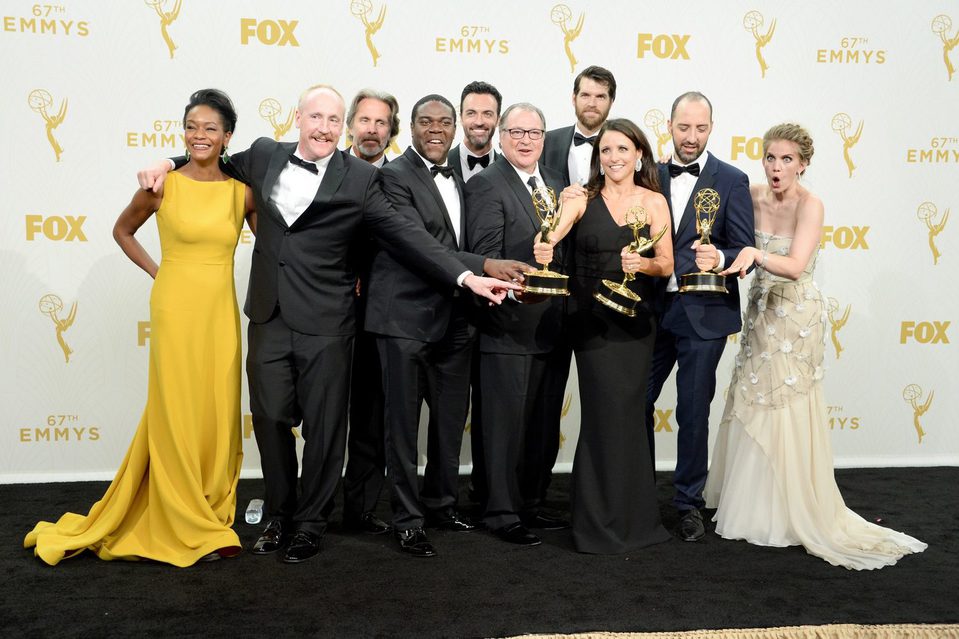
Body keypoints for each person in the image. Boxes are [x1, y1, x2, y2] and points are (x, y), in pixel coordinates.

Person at [135, 85, 517, 564]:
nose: (323, 128)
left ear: (344, 127)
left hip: (328, 322)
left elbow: (407, 235)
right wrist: (167, 163)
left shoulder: (360, 178)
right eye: (316, 117)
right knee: (271, 419)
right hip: (269, 315)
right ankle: (279, 513)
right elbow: (207, 157)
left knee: (324, 428)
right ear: (298, 118)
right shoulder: (263, 154)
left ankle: (310, 523)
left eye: (333, 121)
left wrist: (466, 275)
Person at [25, 89, 256, 567]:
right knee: (176, 408)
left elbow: (279, 246)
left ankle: (210, 505)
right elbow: (122, 230)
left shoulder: (242, 192)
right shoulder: (163, 186)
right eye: (192, 126)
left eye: (211, 127)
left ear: (228, 136)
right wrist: (159, 272)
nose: (199, 135)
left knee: (216, 407)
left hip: (220, 312)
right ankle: (181, 515)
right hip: (175, 308)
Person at [704, 124, 927, 569]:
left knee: (784, 401)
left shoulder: (812, 204)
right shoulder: (748, 193)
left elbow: (796, 264)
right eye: (770, 157)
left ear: (804, 163)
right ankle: (749, 503)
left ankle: (790, 509)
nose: (776, 167)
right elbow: (727, 237)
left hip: (795, 317)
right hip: (760, 313)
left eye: (786, 159)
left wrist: (755, 255)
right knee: (750, 393)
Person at [365, 94, 531, 558]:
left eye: (444, 122)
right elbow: (418, 243)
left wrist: (484, 270)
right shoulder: (391, 177)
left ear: (455, 129)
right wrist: (482, 266)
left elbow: (452, 239)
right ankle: (407, 518)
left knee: (449, 420)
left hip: (457, 318)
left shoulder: (461, 177)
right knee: (401, 426)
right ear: (410, 128)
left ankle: (440, 503)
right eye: (425, 122)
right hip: (404, 318)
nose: (435, 130)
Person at [534, 118, 673, 554]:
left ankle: (635, 522)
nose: (613, 157)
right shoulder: (581, 198)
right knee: (600, 416)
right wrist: (544, 244)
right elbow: (551, 235)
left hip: (635, 322)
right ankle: (595, 524)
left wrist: (643, 265)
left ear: (639, 155)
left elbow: (666, 264)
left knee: (630, 416)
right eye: (606, 150)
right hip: (591, 322)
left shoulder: (653, 201)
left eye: (621, 150)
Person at [643, 91, 755, 543]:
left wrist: (720, 256)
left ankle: (688, 502)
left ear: (712, 128)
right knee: (634, 404)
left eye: (700, 128)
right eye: (683, 127)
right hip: (649, 311)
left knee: (692, 411)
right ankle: (637, 494)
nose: (691, 137)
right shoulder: (645, 174)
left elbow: (743, 247)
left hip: (704, 314)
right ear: (669, 125)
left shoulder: (731, 179)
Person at [465, 102, 567, 546]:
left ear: (545, 138)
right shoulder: (487, 184)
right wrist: (525, 277)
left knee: (540, 425)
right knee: (503, 426)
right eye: (517, 132)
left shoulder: (557, 186)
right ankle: (500, 510)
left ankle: (529, 503)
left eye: (535, 132)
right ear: (502, 136)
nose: (526, 140)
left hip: (551, 326)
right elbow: (487, 253)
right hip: (506, 325)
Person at [536, 65, 619, 516]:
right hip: (547, 290)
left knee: (603, 399)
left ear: (610, 102)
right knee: (544, 400)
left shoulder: (625, 150)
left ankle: (602, 498)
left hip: (600, 291)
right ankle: (534, 496)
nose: (592, 103)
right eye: (585, 95)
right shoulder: (543, 143)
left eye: (601, 96)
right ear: (573, 98)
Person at [337, 89, 401, 536]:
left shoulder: (401, 179)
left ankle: (358, 509)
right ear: (350, 125)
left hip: (379, 316)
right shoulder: (328, 169)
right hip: (322, 311)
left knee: (370, 415)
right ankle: (303, 507)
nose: (372, 130)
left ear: (391, 131)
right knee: (318, 415)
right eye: (364, 121)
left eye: (381, 123)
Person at [447, 80, 504, 507]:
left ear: (497, 120)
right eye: (472, 113)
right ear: (460, 117)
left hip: (499, 310)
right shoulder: (438, 164)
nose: (479, 121)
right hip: (444, 303)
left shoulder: (516, 170)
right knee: (446, 413)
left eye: (487, 114)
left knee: (493, 412)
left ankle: (488, 493)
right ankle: (439, 500)